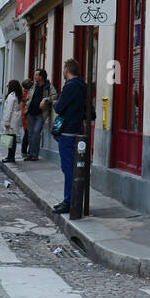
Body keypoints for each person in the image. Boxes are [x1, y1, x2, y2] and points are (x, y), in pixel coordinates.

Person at [52, 60, 88, 214]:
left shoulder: (70, 85)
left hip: (67, 130)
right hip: (77, 129)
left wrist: (53, 102)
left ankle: (69, 201)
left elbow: (59, 107)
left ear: (66, 69)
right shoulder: (83, 85)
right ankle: (69, 199)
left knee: (68, 168)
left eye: (63, 69)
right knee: (72, 167)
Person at [25, 69, 54, 162]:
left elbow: (54, 95)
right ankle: (30, 153)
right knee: (30, 134)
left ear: (41, 77)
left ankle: (35, 154)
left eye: (36, 75)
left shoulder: (48, 86)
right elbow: (28, 95)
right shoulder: (33, 85)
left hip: (40, 114)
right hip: (30, 113)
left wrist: (46, 100)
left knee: (36, 132)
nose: (34, 76)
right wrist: (26, 107)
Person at [1, 79, 24, 163]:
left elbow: (9, 110)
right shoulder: (18, 95)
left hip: (11, 119)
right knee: (12, 137)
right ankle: (11, 156)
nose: (7, 85)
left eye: (9, 84)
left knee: (10, 138)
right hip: (15, 118)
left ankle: (10, 157)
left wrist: (6, 121)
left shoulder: (11, 96)